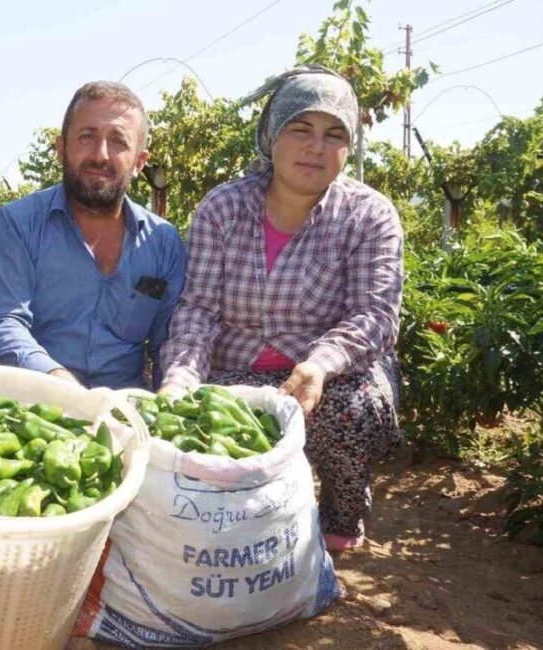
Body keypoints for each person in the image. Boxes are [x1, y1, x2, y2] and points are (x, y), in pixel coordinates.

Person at [159, 66, 403, 552]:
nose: (316, 147)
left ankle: (339, 517)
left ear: (349, 147)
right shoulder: (223, 209)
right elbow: (198, 309)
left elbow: (375, 315)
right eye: (300, 129)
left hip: (327, 377)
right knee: (198, 421)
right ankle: (241, 523)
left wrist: (320, 364)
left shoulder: (369, 215)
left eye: (334, 134)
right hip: (237, 370)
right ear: (272, 135)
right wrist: (179, 380)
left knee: (350, 411)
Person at [0, 81, 186, 389]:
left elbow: (168, 342)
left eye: (118, 141)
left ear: (139, 162)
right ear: (61, 149)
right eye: (87, 137)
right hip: (36, 406)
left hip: (124, 407)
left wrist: (170, 393)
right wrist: (60, 384)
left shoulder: (164, 242)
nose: (100, 155)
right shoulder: (18, 225)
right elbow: (1, 322)